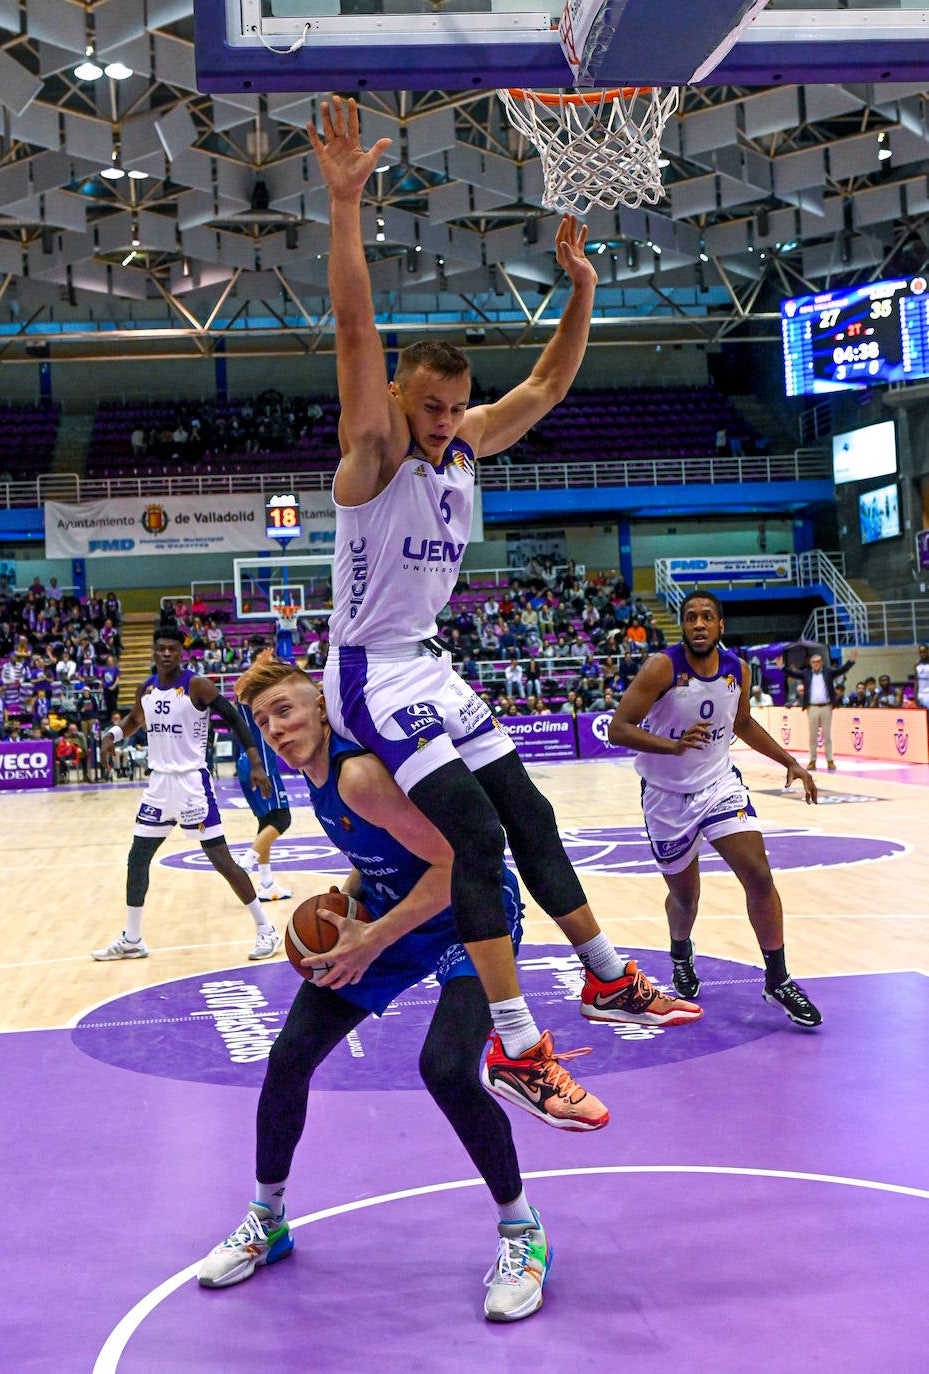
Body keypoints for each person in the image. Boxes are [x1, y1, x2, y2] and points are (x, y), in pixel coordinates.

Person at [305, 96, 699, 1127]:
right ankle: (521, 1047)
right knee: (476, 843)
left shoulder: (467, 441)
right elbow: (354, 326)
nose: (443, 424)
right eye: (430, 407)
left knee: (530, 815)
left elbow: (552, 383)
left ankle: (608, 976)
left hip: (429, 665)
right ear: (400, 399)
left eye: (453, 407)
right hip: (369, 672)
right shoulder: (377, 449)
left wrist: (583, 288)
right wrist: (345, 201)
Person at [198, 657, 607, 1322]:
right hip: (395, 912)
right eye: (264, 719)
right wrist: (348, 904)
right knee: (289, 1057)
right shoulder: (314, 775)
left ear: (322, 708)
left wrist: (373, 938)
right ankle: (266, 1219)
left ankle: (522, 1233)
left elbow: (456, 863)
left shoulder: (357, 774)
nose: (275, 728)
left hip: (469, 913)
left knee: (446, 1068)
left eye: (286, 709)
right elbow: (387, 855)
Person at [609, 590, 823, 1029]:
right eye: (691, 618)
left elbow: (741, 723)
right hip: (667, 796)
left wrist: (789, 762)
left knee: (759, 875)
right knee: (685, 898)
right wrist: (672, 745)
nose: (699, 624)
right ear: (683, 626)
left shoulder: (737, 670)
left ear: (721, 625)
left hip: (719, 784)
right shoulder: (661, 668)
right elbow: (618, 729)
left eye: (708, 617)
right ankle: (681, 951)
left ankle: (778, 978)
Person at [92, 616, 283, 963]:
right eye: (161, 648)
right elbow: (135, 721)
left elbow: (235, 718)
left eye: (172, 649)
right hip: (159, 785)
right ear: (154, 651)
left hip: (192, 784)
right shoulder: (146, 688)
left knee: (222, 860)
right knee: (137, 858)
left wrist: (255, 760)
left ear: (181, 652)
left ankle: (266, 929)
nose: (166, 653)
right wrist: (111, 736)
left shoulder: (197, 685)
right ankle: (132, 939)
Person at [231, 649, 294, 903]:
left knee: (265, 821)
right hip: (260, 764)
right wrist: (260, 664)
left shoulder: (254, 696)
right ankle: (245, 864)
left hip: (249, 762)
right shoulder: (252, 695)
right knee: (282, 818)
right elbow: (239, 687)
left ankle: (266, 882)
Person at [780, 647, 856, 771]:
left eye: (818, 662)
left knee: (827, 735)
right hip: (812, 707)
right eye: (813, 662)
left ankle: (830, 760)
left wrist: (851, 662)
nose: (816, 664)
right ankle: (812, 760)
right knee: (812, 735)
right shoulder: (806, 674)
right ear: (811, 663)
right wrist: (782, 667)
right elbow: (793, 673)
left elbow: (841, 670)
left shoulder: (828, 672)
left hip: (826, 706)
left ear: (822, 663)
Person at [910, 644, 929, 709]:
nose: (922, 654)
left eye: (924, 652)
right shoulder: (917, 665)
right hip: (920, 694)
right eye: (920, 652)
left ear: (928, 651)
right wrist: (915, 695)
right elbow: (916, 681)